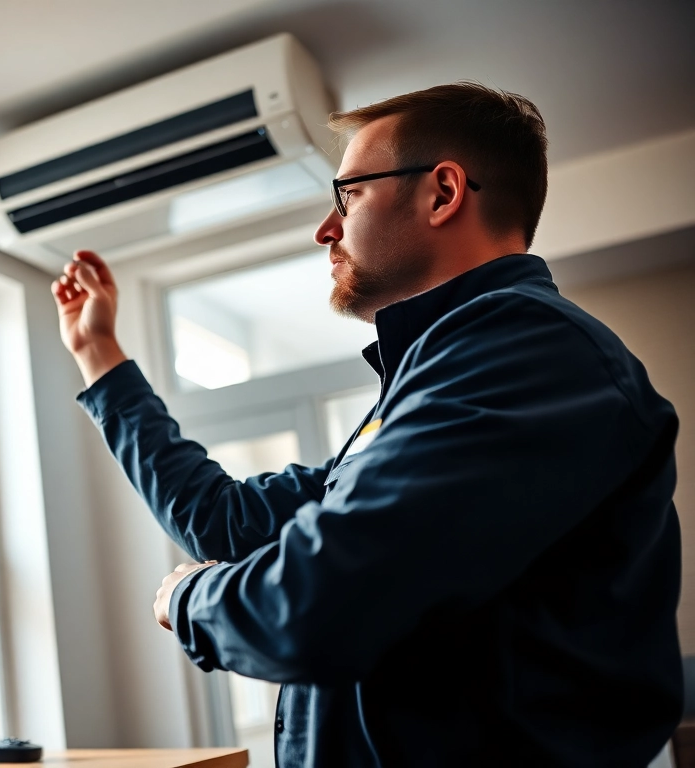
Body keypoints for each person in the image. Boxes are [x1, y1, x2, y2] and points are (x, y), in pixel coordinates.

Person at [52, 82, 682, 766]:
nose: (325, 230)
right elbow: (227, 521)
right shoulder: (440, 383)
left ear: (442, 193)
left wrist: (190, 597)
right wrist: (100, 357)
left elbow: (316, 606)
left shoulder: (530, 353)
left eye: (346, 194)